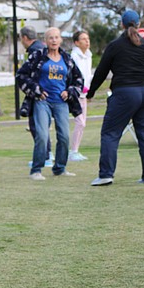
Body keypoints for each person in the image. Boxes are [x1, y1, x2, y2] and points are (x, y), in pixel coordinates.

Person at [85, 10, 144, 186]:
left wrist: (91, 93)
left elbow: (101, 72)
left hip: (126, 92)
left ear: (122, 25)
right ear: (139, 24)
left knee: (110, 133)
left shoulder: (115, 46)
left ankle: (106, 174)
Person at [17, 27, 83, 180]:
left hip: (61, 102)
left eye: (56, 37)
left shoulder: (67, 59)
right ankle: (36, 170)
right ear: (45, 41)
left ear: (60, 40)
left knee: (64, 136)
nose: (54, 40)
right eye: (50, 38)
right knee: (41, 134)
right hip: (42, 102)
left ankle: (60, 168)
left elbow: (78, 79)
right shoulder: (38, 56)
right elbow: (21, 75)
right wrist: (36, 90)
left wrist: (70, 91)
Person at [19, 25, 51, 165]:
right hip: (47, 90)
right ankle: (47, 154)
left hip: (39, 92)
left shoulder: (34, 50)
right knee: (41, 125)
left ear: (25, 38)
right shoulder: (42, 47)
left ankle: (44, 156)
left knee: (37, 125)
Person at [69, 30, 92, 161]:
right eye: (83, 39)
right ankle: (73, 151)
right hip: (75, 93)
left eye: (87, 38)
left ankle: (75, 150)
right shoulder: (74, 56)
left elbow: (87, 74)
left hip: (84, 94)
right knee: (80, 122)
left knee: (82, 122)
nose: (87, 41)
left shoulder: (88, 56)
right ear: (77, 42)